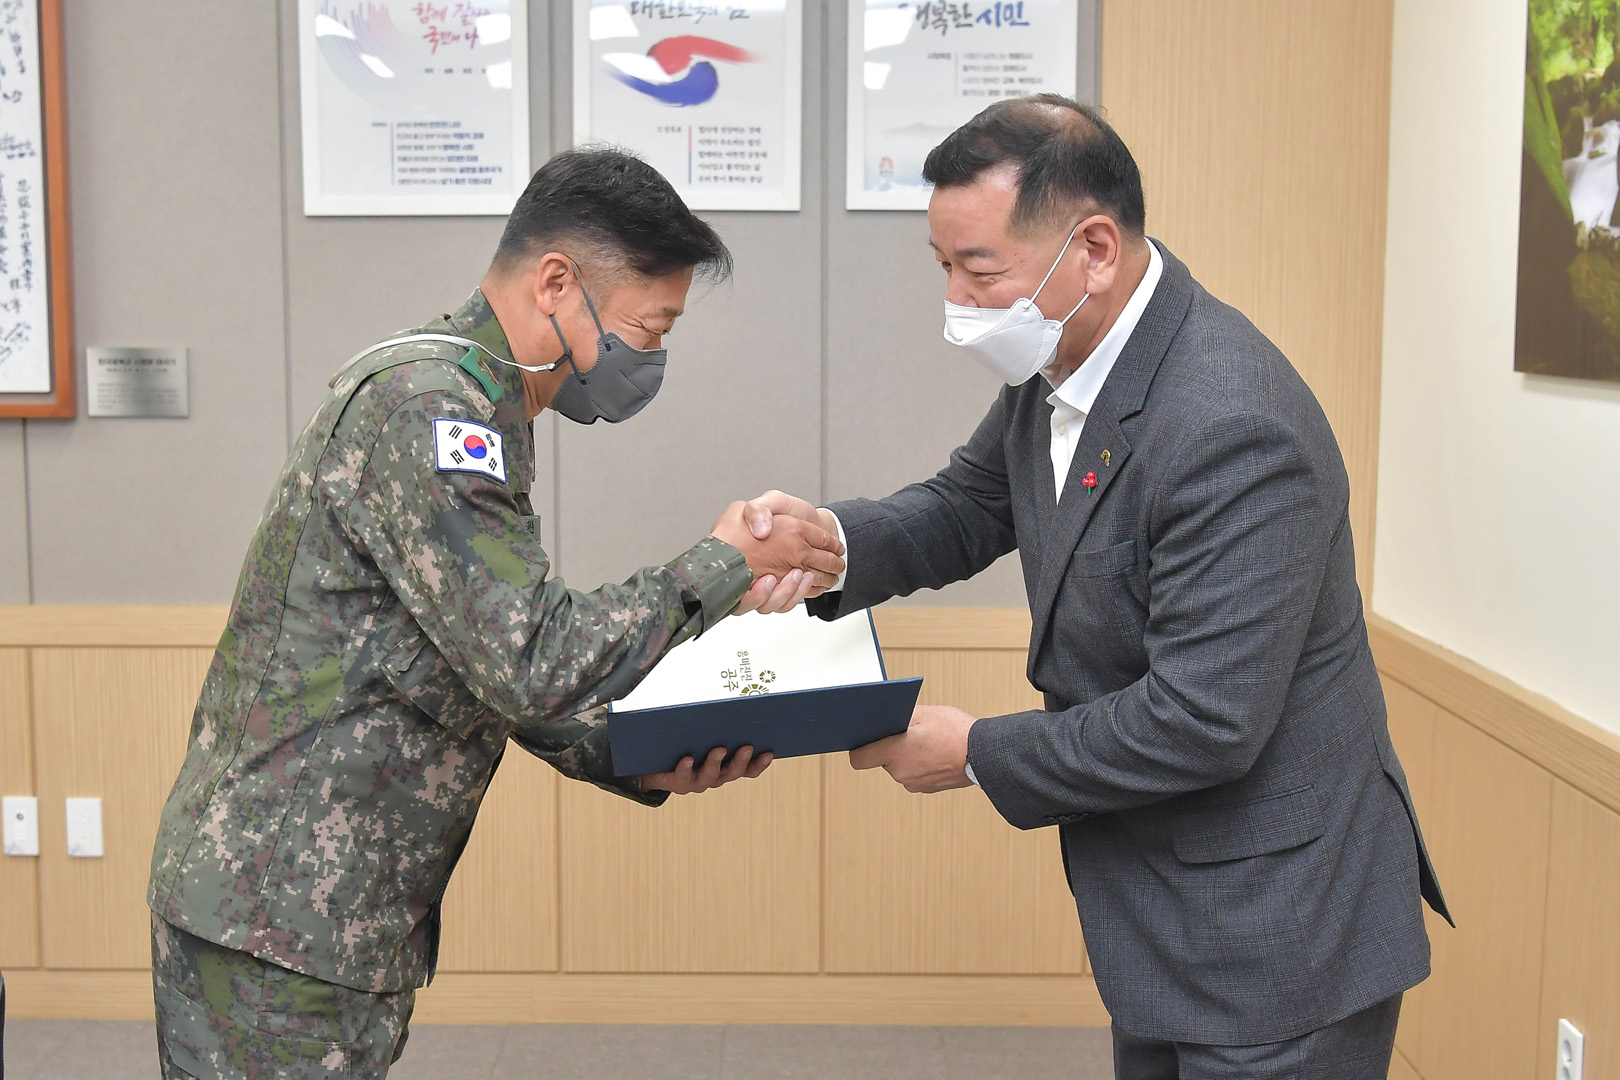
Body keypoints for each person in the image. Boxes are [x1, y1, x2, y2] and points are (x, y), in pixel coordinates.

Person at [748, 95, 1451, 1078]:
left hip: (1279, 935)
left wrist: (975, 753)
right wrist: (831, 544)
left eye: (979, 271)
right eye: (943, 267)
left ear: (1094, 250)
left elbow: (1203, 720)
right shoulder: (1067, 361)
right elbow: (968, 504)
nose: (957, 302)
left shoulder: (1233, 425)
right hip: (1163, 910)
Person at [146, 148, 843, 1080]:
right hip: (278, 919)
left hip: (317, 916)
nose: (650, 360)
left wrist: (639, 753)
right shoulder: (432, 414)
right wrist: (724, 564)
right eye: (648, 327)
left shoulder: (471, 401)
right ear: (556, 283)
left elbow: (474, 664)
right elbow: (529, 658)